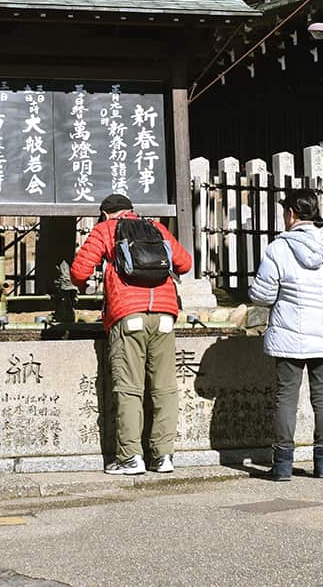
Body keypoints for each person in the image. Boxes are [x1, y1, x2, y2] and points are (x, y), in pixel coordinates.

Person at [71, 194, 193, 475]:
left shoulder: (105, 230)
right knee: (165, 388)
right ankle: (163, 457)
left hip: (128, 316)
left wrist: (81, 284)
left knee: (129, 388)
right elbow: (184, 264)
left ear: (105, 214)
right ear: (132, 211)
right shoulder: (156, 228)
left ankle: (130, 458)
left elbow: (79, 271)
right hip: (164, 315)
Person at [248, 189, 323, 480]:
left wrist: (257, 292)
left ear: (291, 213)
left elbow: (263, 295)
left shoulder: (278, 248)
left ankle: (282, 465)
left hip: (289, 334)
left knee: (286, 397)